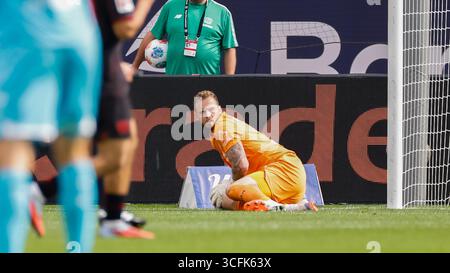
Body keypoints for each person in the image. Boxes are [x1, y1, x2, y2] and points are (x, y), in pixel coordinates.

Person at [30, 0, 156, 239]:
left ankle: (113, 217)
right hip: (99, 74)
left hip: (100, 65)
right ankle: (39, 191)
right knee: (115, 154)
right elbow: (126, 29)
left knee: (127, 141)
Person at [0, 0, 102, 252]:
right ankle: (78, 248)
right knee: (75, 151)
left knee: (14, 148)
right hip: (80, 30)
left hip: (29, 25)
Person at [193, 90, 319, 212]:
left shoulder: (222, 127)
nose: (207, 115)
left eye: (211, 109)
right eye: (202, 112)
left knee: (232, 189)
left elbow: (242, 166)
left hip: (285, 170)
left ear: (220, 109)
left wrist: (230, 183)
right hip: (286, 178)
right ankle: (297, 205)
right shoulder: (222, 126)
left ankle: (282, 208)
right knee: (226, 199)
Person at [131, 0, 238, 75]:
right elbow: (152, 35)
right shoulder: (171, 6)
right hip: (174, 82)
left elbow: (229, 48)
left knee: (203, 108)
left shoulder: (223, 13)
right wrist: (135, 66)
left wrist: (229, 81)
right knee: (175, 107)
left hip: (208, 85)